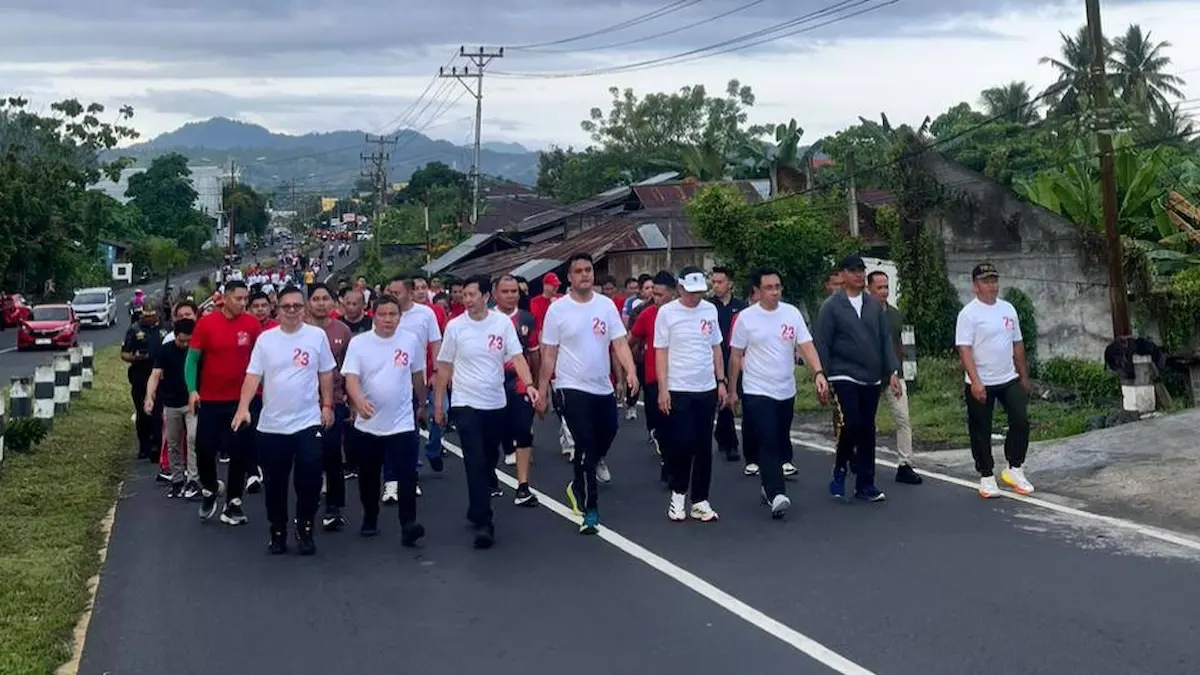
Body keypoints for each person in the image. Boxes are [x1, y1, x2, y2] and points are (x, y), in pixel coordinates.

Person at [536, 253, 639, 535]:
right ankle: (589, 508)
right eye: (578, 271)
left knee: (608, 431)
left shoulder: (605, 306)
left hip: (601, 386)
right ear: (569, 277)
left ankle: (579, 480)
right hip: (571, 386)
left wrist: (631, 371)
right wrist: (543, 391)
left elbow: (619, 342)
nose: (584, 275)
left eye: (588, 270)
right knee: (585, 442)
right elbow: (548, 354)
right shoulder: (558, 310)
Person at [434, 275, 538, 548]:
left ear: (485, 296)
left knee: (490, 457)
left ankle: (477, 506)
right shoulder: (455, 327)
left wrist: (529, 385)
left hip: (495, 403)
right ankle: (484, 521)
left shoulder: (501, 323)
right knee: (474, 460)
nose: (467, 300)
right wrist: (437, 405)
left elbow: (517, 357)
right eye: (464, 296)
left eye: (471, 295)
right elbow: (444, 366)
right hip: (465, 402)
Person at [233, 286, 336, 555]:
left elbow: (326, 374)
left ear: (305, 308)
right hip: (272, 426)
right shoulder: (266, 340)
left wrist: (327, 406)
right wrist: (243, 408)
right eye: (286, 306)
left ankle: (305, 528)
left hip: (308, 421)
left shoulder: (316, 336)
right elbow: (253, 376)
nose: (292, 311)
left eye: (297, 306)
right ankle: (277, 530)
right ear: (277, 308)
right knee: (275, 484)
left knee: (310, 480)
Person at [728, 268, 828, 519]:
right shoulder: (746, 318)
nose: (774, 292)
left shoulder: (791, 313)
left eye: (777, 287)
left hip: (785, 389)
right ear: (758, 291)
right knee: (768, 440)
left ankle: (767, 483)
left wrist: (818, 372)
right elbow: (736, 356)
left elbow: (806, 345)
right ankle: (777, 494)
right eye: (769, 288)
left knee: (780, 438)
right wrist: (732, 390)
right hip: (756, 389)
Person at [814, 255, 902, 503]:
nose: (858, 275)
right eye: (853, 271)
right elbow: (822, 342)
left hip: (871, 377)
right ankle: (841, 467)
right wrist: (821, 375)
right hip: (843, 374)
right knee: (850, 423)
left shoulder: (873, 305)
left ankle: (865, 483)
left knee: (867, 429)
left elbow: (885, 340)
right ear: (842, 275)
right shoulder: (831, 307)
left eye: (861, 271)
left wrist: (892, 372)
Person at [342, 294, 427, 543]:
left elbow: (417, 375)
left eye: (393, 315)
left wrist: (422, 404)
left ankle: (408, 523)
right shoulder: (360, 344)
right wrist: (358, 400)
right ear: (373, 316)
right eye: (383, 315)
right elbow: (351, 378)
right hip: (369, 424)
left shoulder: (410, 340)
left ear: (400, 317)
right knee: (369, 474)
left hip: (401, 422)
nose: (388, 320)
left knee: (407, 474)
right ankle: (370, 516)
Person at [185, 280, 262, 524]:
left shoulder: (251, 324)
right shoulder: (206, 324)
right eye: (238, 298)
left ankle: (234, 503)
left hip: (241, 402)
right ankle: (209, 488)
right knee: (204, 448)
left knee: (240, 452)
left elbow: (262, 358)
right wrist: (192, 390)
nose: (242, 303)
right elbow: (192, 360)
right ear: (226, 298)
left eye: (245, 299)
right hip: (210, 400)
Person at [653, 266, 727, 522]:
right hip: (678, 388)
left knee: (704, 445)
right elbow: (660, 351)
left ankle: (700, 499)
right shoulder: (667, 313)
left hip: (705, 387)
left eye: (700, 292)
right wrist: (663, 389)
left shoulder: (710, 310)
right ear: (681, 288)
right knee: (682, 443)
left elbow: (716, 346)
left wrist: (721, 380)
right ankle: (678, 493)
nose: (696, 297)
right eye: (691, 292)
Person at [954, 263, 1034, 498]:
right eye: (987, 281)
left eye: (994, 281)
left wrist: (1023, 376)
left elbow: (1017, 344)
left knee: (1021, 420)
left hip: (1008, 377)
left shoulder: (1008, 309)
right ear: (975, 286)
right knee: (981, 429)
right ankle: (986, 475)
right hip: (981, 380)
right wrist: (976, 381)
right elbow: (964, 349)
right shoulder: (969, 314)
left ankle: (1014, 467)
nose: (992, 286)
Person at [379, 274, 444, 501]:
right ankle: (390, 481)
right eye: (390, 292)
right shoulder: (383, 314)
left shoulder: (425, 313)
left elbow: (435, 342)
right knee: (387, 433)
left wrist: (436, 371)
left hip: (414, 382)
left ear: (409, 291)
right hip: (386, 384)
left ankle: (410, 477)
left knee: (411, 432)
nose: (392, 296)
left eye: (396, 293)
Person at [866, 270, 922, 485]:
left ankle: (905, 464)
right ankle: (861, 461)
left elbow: (899, 346)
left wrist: (896, 373)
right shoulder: (862, 314)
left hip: (892, 376)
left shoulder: (894, 315)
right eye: (879, 287)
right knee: (865, 422)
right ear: (869, 289)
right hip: (868, 376)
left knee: (903, 419)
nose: (884, 292)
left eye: (886, 287)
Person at [305, 283, 353, 532]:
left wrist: (351, 399)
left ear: (333, 303)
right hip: (303, 404)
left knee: (333, 454)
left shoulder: (343, 331)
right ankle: (308, 503)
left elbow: (351, 368)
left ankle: (334, 507)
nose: (321, 303)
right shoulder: (299, 330)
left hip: (334, 401)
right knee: (310, 457)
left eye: (325, 298)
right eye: (316, 299)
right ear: (308, 303)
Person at [492, 275, 540, 507]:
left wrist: (538, 385)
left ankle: (523, 486)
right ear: (494, 294)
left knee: (523, 431)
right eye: (505, 291)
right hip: (492, 385)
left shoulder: (527, 319)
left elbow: (533, 353)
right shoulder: (487, 319)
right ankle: (490, 476)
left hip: (520, 383)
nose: (511, 295)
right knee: (493, 434)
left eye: (514, 291)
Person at [629, 271, 675, 476]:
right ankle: (667, 460)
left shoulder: (682, 313)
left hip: (680, 378)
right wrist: (629, 366)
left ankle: (673, 461)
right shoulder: (647, 314)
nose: (655, 299)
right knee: (661, 421)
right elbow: (631, 340)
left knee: (678, 425)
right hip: (653, 377)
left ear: (673, 293)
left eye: (660, 294)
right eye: (653, 294)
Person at [145, 318, 197, 498]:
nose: (185, 344)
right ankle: (177, 480)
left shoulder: (197, 351)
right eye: (182, 340)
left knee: (192, 438)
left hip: (192, 403)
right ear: (175, 336)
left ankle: (193, 479)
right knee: (173, 443)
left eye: (189, 340)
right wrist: (149, 397)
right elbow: (155, 374)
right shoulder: (165, 351)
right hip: (171, 403)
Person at [708, 266, 746, 463]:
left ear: (730, 283)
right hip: (712, 360)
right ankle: (730, 442)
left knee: (731, 399)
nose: (716, 286)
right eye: (713, 282)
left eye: (720, 282)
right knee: (720, 400)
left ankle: (724, 436)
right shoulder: (708, 307)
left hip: (734, 360)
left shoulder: (741, 308)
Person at [122, 305, 164, 461]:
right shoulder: (134, 330)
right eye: (146, 316)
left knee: (158, 413)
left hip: (160, 376)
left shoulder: (164, 328)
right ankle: (144, 446)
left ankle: (157, 444)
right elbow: (124, 353)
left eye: (152, 315)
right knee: (142, 413)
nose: (149, 318)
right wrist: (136, 357)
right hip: (140, 375)